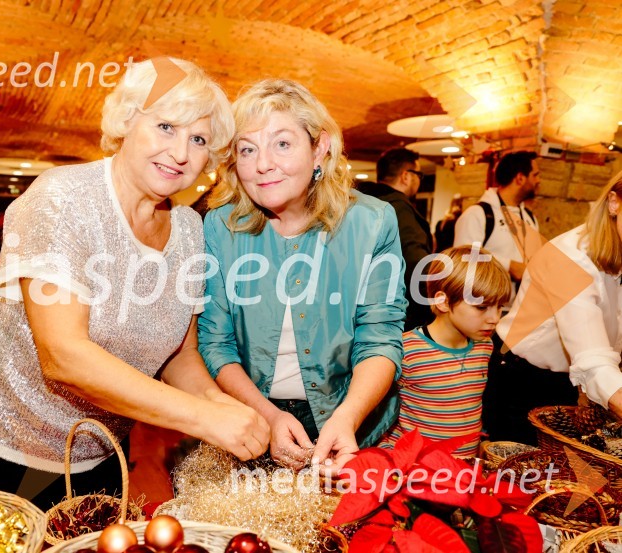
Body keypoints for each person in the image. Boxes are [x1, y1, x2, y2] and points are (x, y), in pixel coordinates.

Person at [0, 58, 269, 510]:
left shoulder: (188, 231)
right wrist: (204, 418)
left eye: (198, 139)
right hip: (6, 456)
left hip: (104, 455)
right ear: (126, 122)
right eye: (165, 126)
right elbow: (64, 357)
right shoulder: (63, 199)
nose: (180, 153)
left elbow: (181, 354)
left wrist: (226, 409)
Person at [198, 79, 406, 474]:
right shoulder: (220, 228)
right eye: (247, 149)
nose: (262, 164)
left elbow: (379, 338)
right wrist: (269, 417)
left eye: (281, 143)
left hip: (351, 414)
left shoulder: (372, 222)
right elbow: (215, 343)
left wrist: (346, 417)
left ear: (319, 148)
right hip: (251, 417)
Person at [488, 170, 622, 443]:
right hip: (523, 377)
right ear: (614, 203)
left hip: (574, 381)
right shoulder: (570, 256)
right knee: (523, 475)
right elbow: (593, 361)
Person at [379, 246, 511, 456]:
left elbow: (468, 407)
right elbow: (379, 415)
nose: (494, 318)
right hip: (415, 470)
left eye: (500, 307)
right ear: (443, 301)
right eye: (481, 307)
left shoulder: (484, 346)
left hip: (462, 468)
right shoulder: (407, 350)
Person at [356, 148, 434, 330]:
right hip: (396, 311)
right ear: (406, 176)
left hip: (360, 305)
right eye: (419, 175)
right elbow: (415, 262)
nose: (419, 181)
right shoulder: (399, 210)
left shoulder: (362, 204)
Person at [454, 151, 541, 292]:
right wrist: (509, 266)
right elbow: (462, 260)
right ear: (520, 178)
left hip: (521, 308)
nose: (539, 181)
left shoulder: (530, 218)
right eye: (535, 175)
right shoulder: (478, 214)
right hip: (485, 306)